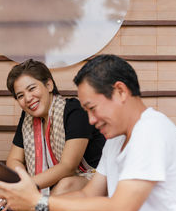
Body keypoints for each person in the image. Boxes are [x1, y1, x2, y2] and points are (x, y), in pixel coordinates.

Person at [0, 54, 176, 211]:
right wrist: (36, 206)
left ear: (120, 92)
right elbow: (88, 194)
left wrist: (39, 201)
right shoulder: (116, 140)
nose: (91, 120)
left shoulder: (151, 130)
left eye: (92, 108)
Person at [6, 59, 105, 199]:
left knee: (65, 185)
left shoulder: (75, 111)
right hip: (57, 184)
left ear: (49, 85)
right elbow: (13, 160)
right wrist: (25, 183)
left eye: (32, 88)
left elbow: (68, 166)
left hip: (99, 179)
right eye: (20, 96)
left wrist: (28, 188)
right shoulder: (28, 119)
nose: (28, 98)